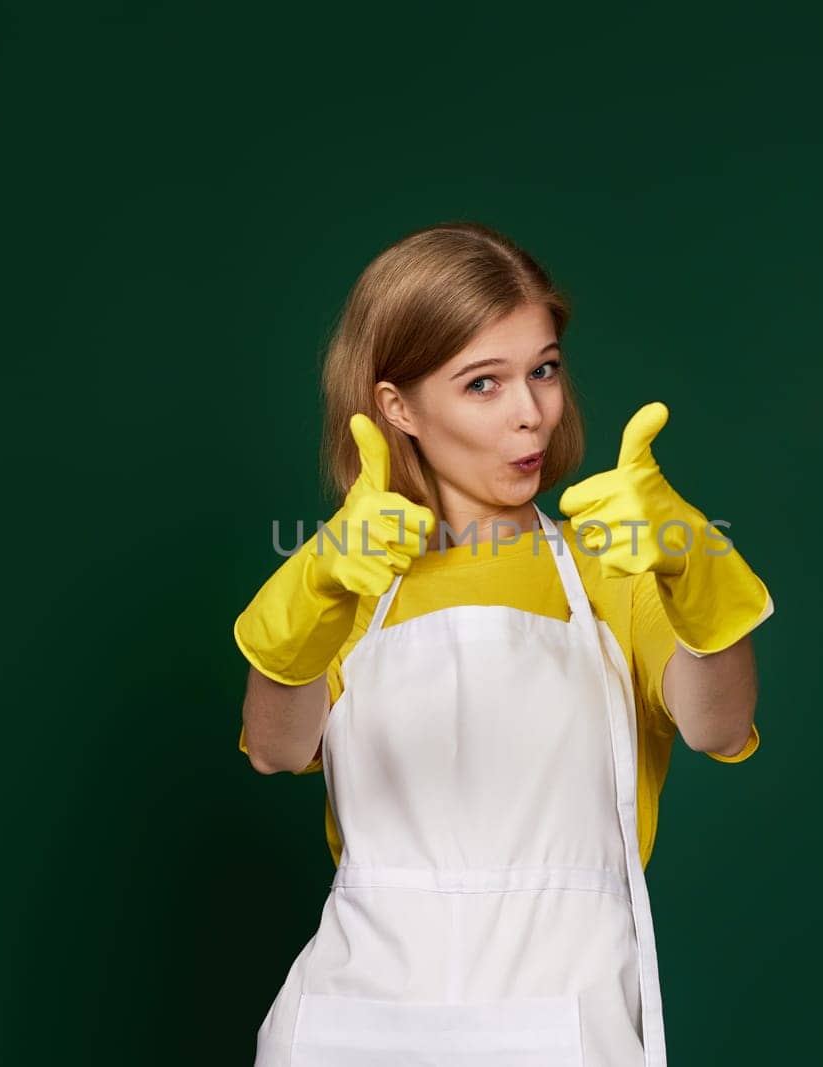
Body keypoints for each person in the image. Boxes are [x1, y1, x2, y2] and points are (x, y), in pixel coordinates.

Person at [233, 221, 775, 1066]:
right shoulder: (348, 571)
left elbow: (717, 724)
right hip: (357, 1018)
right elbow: (274, 748)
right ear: (397, 407)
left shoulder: (614, 564)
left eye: (544, 370)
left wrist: (695, 566)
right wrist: (320, 590)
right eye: (483, 384)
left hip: (564, 1015)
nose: (531, 414)